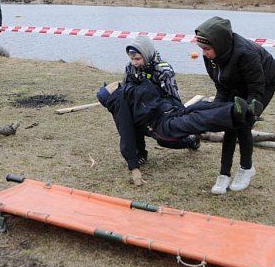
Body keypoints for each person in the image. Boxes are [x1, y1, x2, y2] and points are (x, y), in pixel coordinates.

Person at [97, 78, 256, 186]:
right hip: (167, 107)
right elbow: (135, 130)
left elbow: (126, 133)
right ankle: (240, 109)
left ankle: (235, 114)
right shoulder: (131, 87)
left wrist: (133, 167)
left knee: (188, 124)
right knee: (192, 110)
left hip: (159, 123)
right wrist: (141, 154)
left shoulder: (118, 102)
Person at [195, 16, 275, 194]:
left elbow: (256, 89)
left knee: (242, 123)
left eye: (207, 49)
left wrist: (248, 111)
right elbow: (221, 85)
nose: (204, 52)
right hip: (237, 80)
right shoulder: (210, 56)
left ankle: (246, 169)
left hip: (263, 81)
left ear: (219, 44)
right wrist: (218, 110)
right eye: (201, 48)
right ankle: (224, 174)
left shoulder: (246, 53)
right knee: (229, 122)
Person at [121, 36, 199, 171]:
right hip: (140, 108)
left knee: (163, 140)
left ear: (146, 55)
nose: (134, 63)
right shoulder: (130, 68)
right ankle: (140, 153)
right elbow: (125, 89)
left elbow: (173, 98)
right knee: (129, 120)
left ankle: (191, 141)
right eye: (132, 59)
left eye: (138, 59)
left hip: (161, 109)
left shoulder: (164, 70)